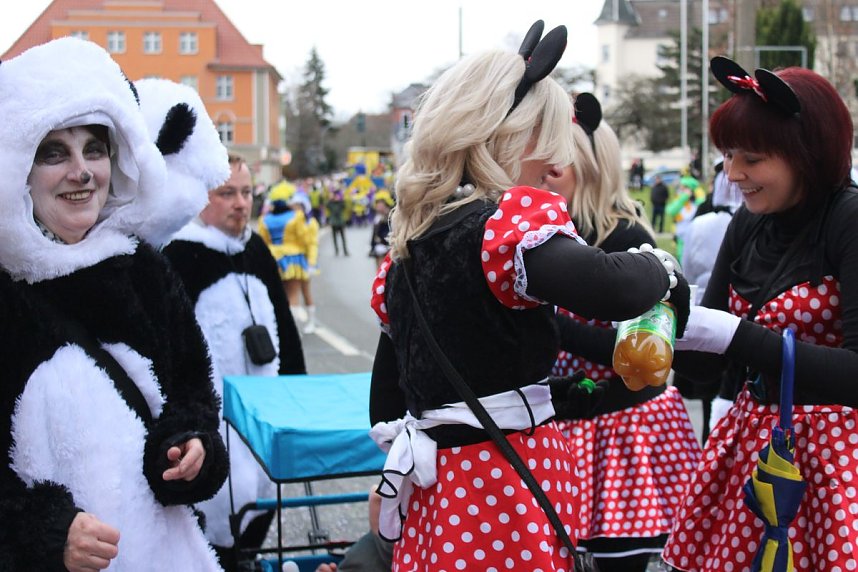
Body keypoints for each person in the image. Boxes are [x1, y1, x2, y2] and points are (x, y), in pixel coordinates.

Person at [367, 21, 690, 571]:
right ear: (507, 136)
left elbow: (391, 392)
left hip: (440, 494)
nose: (558, 166)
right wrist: (661, 265)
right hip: (503, 485)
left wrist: (551, 395)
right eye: (548, 145)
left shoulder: (411, 245)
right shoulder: (505, 223)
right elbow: (612, 289)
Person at [0, 37, 229, 570]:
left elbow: (193, 393)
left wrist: (192, 449)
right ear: (18, 171)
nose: (81, 171)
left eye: (94, 149)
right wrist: (47, 533)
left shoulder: (144, 270)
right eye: (54, 152)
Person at [662, 57, 858, 571]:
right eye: (728, 155)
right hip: (755, 457)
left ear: (808, 155)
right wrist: (666, 324)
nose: (733, 174)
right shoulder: (748, 225)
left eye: (752, 157)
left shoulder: (848, 219)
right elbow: (705, 370)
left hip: (837, 465)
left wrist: (733, 335)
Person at [545, 93, 702, 572]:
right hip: (560, 425)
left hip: (621, 427)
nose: (545, 172)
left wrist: (550, 325)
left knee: (617, 563)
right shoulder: (543, 236)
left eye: (558, 164)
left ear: (589, 166)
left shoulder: (631, 240)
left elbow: (640, 355)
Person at [163, 152, 307, 570]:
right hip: (213, 418)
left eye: (246, 192)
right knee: (220, 503)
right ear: (199, 196)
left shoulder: (257, 248)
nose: (241, 203)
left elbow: (284, 325)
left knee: (264, 493)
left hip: (266, 407)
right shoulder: (178, 256)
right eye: (227, 193)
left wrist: (297, 393)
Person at [260, 190, 320, 333]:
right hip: (295, 260)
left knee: (293, 294)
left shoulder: (265, 220)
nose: (295, 207)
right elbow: (305, 240)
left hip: (281, 260)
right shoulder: (296, 218)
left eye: (298, 205)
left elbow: (264, 241)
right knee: (293, 295)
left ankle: (299, 325)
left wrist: (311, 260)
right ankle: (291, 331)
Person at [369, 189, 393, 268]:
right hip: (378, 249)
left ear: (385, 204)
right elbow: (374, 234)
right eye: (377, 203)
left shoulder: (390, 217)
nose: (377, 206)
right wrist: (373, 246)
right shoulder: (378, 216)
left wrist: (382, 242)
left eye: (379, 203)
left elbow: (390, 234)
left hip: (387, 250)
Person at [327, 185, 350, 256]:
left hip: (340, 222)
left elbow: (344, 206)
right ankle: (336, 250)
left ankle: (345, 251)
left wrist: (340, 200)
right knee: (334, 238)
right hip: (334, 222)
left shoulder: (340, 203)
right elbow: (327, 206)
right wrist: (330, 199)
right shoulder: (331, 203)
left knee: (343, 237)